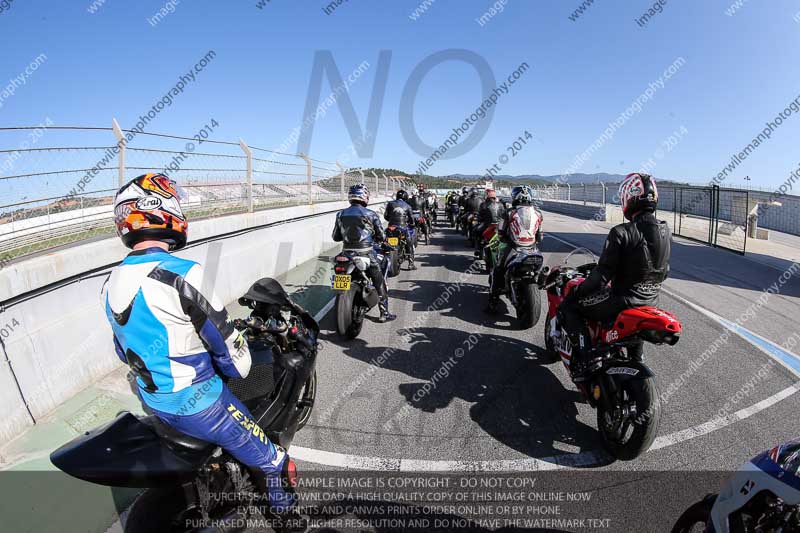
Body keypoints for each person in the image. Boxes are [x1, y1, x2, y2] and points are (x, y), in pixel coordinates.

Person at [103, 174, 300, 520]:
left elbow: (122, 349)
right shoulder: (182, 272)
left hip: (154, 400)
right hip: (201, 405)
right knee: (275, 462)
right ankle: (288, 517)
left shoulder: (109, 281)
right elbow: (231, 354)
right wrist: (237, 357)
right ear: (159, 208)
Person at [558, 173, 670, 380]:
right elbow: (665, 271)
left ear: (629, 197)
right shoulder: (665, 230)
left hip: (621, 301)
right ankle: (636, 357)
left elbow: (601, 276)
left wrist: (577, 291)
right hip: (651, 302)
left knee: (570, 306)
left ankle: (585, 360)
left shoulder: (621, 232)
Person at [332, 184, 396, 322]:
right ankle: (384, 312)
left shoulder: (340, 214)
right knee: (379, 282)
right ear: (364, 196)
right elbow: (380, 236)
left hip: (346, 254)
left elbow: (336, 237)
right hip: (366, 253)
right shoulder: (371, 214)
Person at [487, 186, 543, 312]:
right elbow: (539, 237)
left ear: (515, 197)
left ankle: (493, 301)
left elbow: (501, 234)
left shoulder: (509, 212)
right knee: (537, 271)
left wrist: (507, 238)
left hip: (514, 248)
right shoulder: (539, 214)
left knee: (498, 270)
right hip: (533, 250)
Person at [384, 189, 417, 270]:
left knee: (385, 242)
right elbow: (411, 219)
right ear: (405, 197)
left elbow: (386, 216)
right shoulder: (408, 206)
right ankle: (411, 264)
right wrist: (412, 224)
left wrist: (391, 220)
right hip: (403, 228)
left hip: (391, 228)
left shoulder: (390, 203)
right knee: (409, 243)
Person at [473, 189, 506, 256]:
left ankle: (477, 249)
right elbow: (504, 215)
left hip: (487, 225)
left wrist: (479, 219)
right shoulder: (500, 205)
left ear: (487, 196)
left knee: (475, 231)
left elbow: (480, 216)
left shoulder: (483, 204)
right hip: (499, 226)